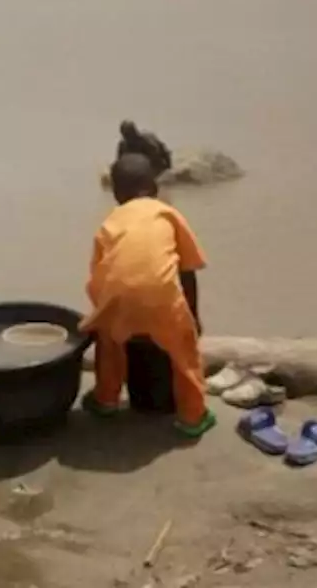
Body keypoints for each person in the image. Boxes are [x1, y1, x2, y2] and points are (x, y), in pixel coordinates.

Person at [80, 153, 215, 438]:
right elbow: (188, 270)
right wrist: (193, 317)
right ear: (154, 187)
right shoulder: (168, 213)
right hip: (162, 300)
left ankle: (105, 399)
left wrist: (105, 314)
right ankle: (193, 417)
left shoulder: (110, 222)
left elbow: (99, 277)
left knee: (109, 341)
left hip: (117, 298)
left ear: (116, 193)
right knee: (184, 351)